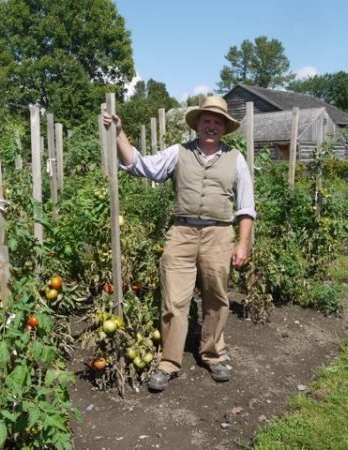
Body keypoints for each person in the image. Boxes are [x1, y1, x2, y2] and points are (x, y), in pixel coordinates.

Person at [103, 95, 256, 392]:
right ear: (197, 124)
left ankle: (213, 354)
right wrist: (120, 133)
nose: (211, 126)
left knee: (217, 298)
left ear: (224, 128)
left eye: (217, 122)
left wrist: (243, 243)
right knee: (174, 300)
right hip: (182, 234)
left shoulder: (236, 159)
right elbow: (140, 166)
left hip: (219, 234)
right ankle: (169, 362)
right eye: (206, 120)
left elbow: (246, 206)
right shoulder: (179, 152)